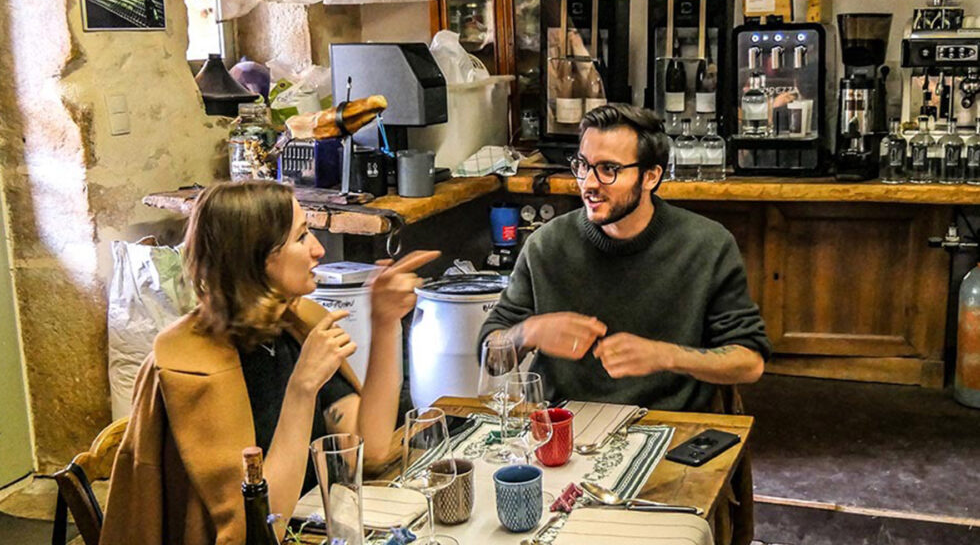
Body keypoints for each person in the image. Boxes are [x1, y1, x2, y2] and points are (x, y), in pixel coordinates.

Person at [101, 181, 438, 544]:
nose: (318, 249)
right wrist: (302, 388)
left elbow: (367, 449)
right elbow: (257, 529)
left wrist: (385, 322)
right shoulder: (193, 367)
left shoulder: (293, 325)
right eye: (302, 236)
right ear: (255, 258)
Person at [479, 103, 771, 412]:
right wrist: (528, 333)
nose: (589, 183)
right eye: (582, 165)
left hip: (669, 426)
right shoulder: (545, 245)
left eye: (609, 170)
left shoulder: (708, 245)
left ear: (650, 177)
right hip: (564, 427)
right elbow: (491, 358)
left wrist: (666, 356)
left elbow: (749, 362)